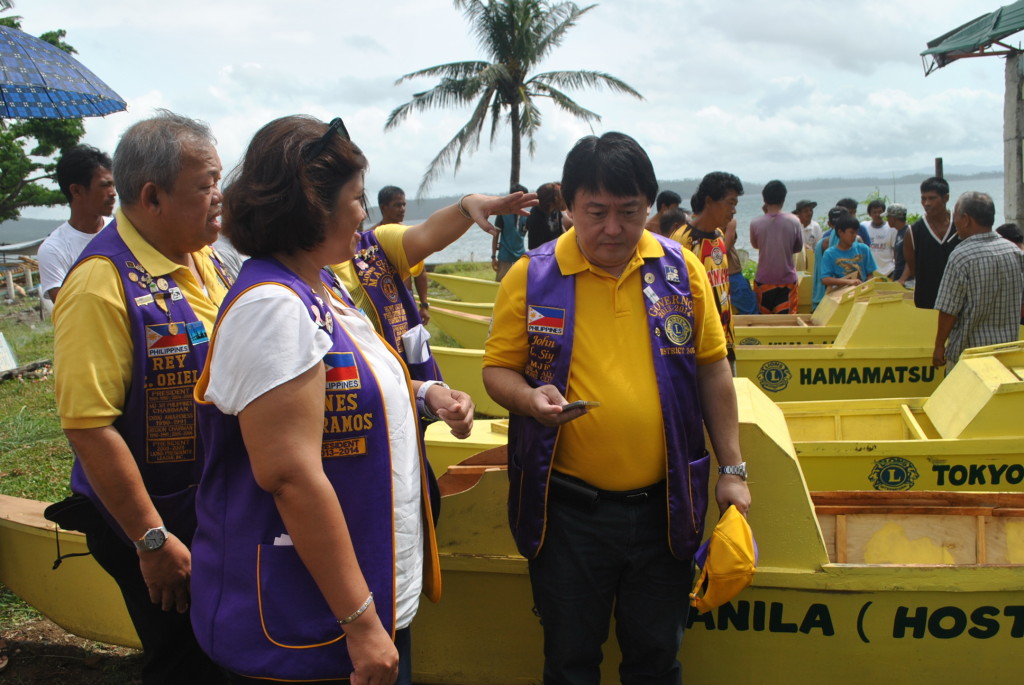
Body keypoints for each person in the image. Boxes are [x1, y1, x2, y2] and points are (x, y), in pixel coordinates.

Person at [190, 116, 530, 683]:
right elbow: (290, 475)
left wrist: (424, 392)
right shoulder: (273, 307)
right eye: (356, 199)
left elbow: (346, 386)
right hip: (310, 614)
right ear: (311, 208)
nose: (365, 215)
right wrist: (361, 623)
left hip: (361, 589)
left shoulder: (324, 289)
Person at [483, 132, 750, 685]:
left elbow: (713, 370)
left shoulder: (681, 271)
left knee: (657, 660)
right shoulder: (532, 278)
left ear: (648, 206)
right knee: (570, 660)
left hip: (667, 508)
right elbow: (496, 370)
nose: (612, 229)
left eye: (628, 212)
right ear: (568, 207)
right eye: (595, 212)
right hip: (567, 515)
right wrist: (529, 399)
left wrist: (732, 470)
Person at [51, 111, 230, 683]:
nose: (218, 198)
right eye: (206, 187)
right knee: (184, 663)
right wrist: (150, 540)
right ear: (152, 196)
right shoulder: (99, 285)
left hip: (212, 506)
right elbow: (88, 427)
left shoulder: (204, 257)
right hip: (157, 523)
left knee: (223, 649)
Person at [932, 192, 1024, 368]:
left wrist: (938, 346)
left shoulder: (961, 256)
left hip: (970, 354)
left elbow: (948, 310)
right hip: (1006, 353)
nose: (955, 223)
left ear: (966, 219)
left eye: (956, 217)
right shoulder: (1013, 251)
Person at [672, 171, 743, 361]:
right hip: (698, 343)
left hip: (725, 337)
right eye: (730, 203)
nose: (733, 210)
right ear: (709, 201)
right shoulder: (683, 240)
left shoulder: (719, 236)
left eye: (735, 204)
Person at [37, 145, 116, 303]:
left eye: (113, 184)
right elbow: (67, 309)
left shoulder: (123, 230)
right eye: (104, 185)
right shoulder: (54, 249)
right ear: (76, 191)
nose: (113, 193)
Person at [369, 184, 432, 325]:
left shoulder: (409, 236)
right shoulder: (370, 238)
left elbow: (420, 273)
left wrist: (424, 305)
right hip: (380, 299)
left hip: (405, 296)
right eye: (397, 205)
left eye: (404, 205)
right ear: (383, 207)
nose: (402, 209)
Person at [901, 177, 959, 309]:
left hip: (958, 299)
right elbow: (914, 268)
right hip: (927, 301)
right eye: (923, 198)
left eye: (932, 198)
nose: (927, 203)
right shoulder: (913, 231)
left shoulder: (960, 226)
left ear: (946, 198)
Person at [749, 180, 803, 314]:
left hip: (764, 280)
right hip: (787, 281)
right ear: (783, 199)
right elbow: (797, 247)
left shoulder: (755, 223)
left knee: (764, 322)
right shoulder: (794, 221)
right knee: (787, 322)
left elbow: (756, 245)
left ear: (764, 200)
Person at [820, 214, 878, 293]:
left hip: (863, 292)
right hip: (841, 294)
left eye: (856, 232)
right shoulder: (829, 254)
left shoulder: (864, 249)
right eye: (851, 232)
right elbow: (825, 279)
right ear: (840, 232)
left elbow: (870, 274)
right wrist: (848, 282)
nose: (855, 236)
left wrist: (866, 286)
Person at [811, 207, 853, 310]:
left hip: (823, 296)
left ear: (829, 224)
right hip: (845, 295)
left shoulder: (821, 244)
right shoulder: (855, 241)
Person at [492, 183, 530, 280]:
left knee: (519, 285)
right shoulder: (503, 214)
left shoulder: (526, 215)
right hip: (505, 257)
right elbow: (495, 235)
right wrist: (493, 257)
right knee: (501, 284)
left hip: (521, 256)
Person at [526, 182, 570, 249]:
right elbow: (534, 246)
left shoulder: (555, 210)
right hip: (543, 254)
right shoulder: (535, 217)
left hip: (557, 250)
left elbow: (560, 227)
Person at [862, 199, 897, 277]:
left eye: (880, 212)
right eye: (874, 212)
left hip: (889, 270)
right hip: (870, 272)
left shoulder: (891, 228)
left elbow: (895, 250)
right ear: (869, 214)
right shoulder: (864, 226)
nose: (878, 215)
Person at [887, 203, 911, 281]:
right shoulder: (899, 232)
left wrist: (902, 279)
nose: (887, 220)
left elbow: (910, 260)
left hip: (907, 281)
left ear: (893, 219)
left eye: (888, 217)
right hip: (898, 276)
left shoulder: (908, 233)